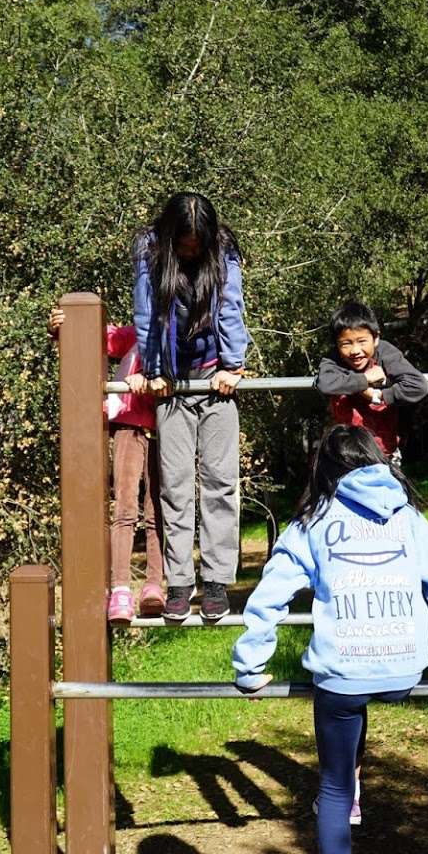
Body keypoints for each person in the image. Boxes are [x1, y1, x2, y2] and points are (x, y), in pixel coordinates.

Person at [231, 425, 428, 854]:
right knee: (358, 708)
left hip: (345, 676)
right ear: (376, 461)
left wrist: (250, 666)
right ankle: (353, 779)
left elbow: (269, 596)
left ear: (322, 470)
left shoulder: (310, 523)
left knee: (331, 783)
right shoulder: (410, 519)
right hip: (402, 672)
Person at [128, 192, 249, 624]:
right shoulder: (150, 249)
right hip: (173, 383)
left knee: (221, 482)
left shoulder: (224, 249)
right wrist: (156, 369)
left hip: (217, 377)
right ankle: (180, 583)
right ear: (170, 235)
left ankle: (216, 581)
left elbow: (230, 307)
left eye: (199, 242)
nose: (192, 249)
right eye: (185, 242)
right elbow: (147, 313)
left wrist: (234, 365)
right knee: (174, 488)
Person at [47, 313, 165, 624]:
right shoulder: (139, 331)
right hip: (128, 426)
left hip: (167, 429)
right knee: (125, 509)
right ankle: (121, 589)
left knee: (158, 513)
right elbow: (102, 337)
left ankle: (155, 585)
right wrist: (67, 326)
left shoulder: (182, 334)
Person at [315, 300, 428, 462]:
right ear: (337, 345)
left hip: (383, 451)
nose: (355, 351)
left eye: (362, 341)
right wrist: (365, 379)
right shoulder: (334, 358)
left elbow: (418, 385)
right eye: (346, 344)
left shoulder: (385, 352)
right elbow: (325, 383)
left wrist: (378, 396)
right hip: (345, 452)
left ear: (375, 338)